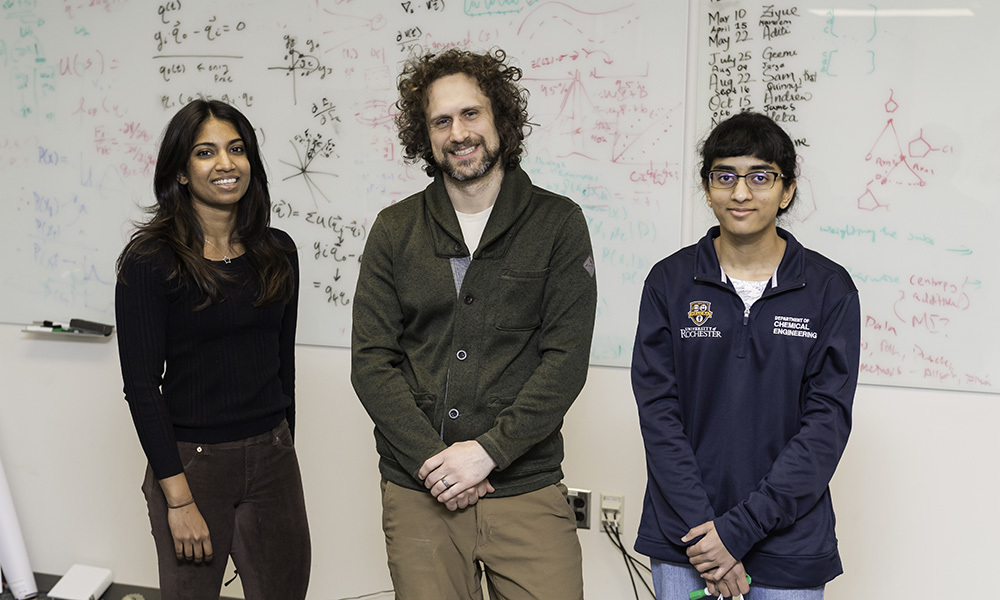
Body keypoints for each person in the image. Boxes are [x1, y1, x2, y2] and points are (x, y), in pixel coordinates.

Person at [351, 48, 597, 599]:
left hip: (525, 489)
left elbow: (565, 362)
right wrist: (435, 465)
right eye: (441, 121)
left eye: (471, 114)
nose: (459, 133)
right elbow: (371, 363)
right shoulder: (394, 229)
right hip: (419, 490)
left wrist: (486, 452)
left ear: (500, 121)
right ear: (426, 135)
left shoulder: (559, 223)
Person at [631, 112, 860, 599]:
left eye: (760, 177)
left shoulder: (828, 289)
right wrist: (707, 534)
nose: (741, 193)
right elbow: (659, 416)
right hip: (687, 537)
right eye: (725, 176)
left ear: (788, 190)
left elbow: (825, 427)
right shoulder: (669, 283)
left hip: (789, 541)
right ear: (707, 186)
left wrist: (737, 533)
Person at [115, 99, 309, 600]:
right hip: (192, 466)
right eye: (206, 152)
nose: (226, 164)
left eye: (236, 149)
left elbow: (282, 363)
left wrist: (284, 448)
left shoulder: (278, 251)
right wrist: (177, 500)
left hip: (273, 457)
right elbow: (141, 387)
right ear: (180, 171)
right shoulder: (150, 262)